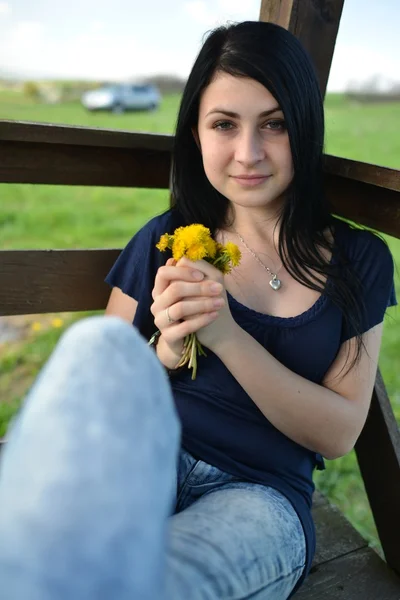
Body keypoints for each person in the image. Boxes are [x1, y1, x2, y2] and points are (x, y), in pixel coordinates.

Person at [0, 20, 397, 600]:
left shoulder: (359, 258)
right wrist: (165, 347)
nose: (248, 153)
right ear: (196, 134)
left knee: (151, 583)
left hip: (258, 498)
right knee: (96, 346)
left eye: (275, 124)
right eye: (224, 125)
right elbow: (110, 394)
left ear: (305, 128)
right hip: (145, 451)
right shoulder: (167, 239)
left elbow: (337, 432)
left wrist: (228, 336)